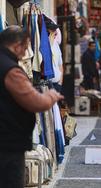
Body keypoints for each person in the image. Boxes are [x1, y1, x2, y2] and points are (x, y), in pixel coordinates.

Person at [0, 26, 63, 187]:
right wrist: (51, 96)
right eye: (26, 46)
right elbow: (36, 102)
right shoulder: (11, 70)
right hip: (8, 142)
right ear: (17, 45)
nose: (26, 52)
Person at [45, 17, 63, 93]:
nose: (55, 32)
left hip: (57, 84)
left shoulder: (56, 45)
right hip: (47, 85)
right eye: (53, 30)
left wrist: (60, 83)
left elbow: (60, 65)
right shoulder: (43, 46)